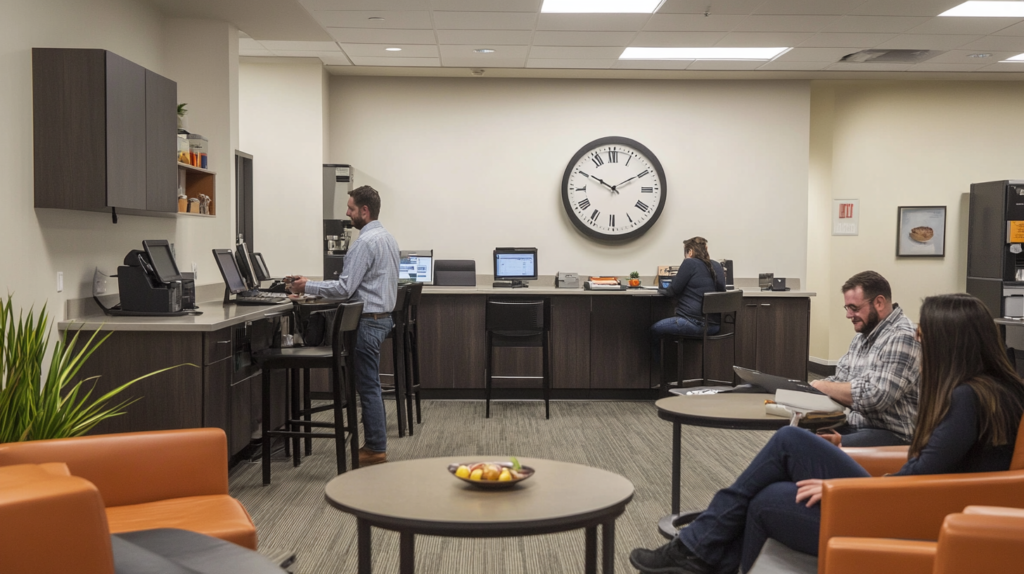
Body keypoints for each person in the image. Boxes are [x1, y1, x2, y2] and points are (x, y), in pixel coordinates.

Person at [629, 293, 1024, 574]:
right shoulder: (991, 391)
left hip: (909, 512)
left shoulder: (968, 398)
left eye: (926, 336)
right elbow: (931, 467)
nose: (919, 342)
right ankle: (703, 556)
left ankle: (697, 549)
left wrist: (846, 490)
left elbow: (920, 479)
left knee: (786, 451)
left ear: (951, 343)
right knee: (774, 483)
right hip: (915, 501)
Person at [287, 185, 399, 466]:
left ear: (364, 211)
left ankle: (375, 449)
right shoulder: (388, 239)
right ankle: (374, 444)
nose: (347, 214)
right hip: (383, 319)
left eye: (350, 209)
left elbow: (345, 288)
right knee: (368, 384)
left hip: (368, 323)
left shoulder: (365, 242)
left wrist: (305, 286)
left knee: (368, 386)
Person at [810, 271, 920, 447]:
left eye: (854, 308)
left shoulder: (903, 336)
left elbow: (876, 397)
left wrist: (822, 387)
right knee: (794, 434)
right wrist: (808, 390)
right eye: (847, 308)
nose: (849, 315)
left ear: (879, 302)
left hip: (894, 434)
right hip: (857, 425)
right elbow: (839, 381)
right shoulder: (862, 337)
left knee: (812, 447)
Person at [652, 237, 726, 340]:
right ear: (706, 248)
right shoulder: (717, 266)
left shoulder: (689, 263)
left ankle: (662, 357)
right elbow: (722, 291)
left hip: (695, 324)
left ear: (690, 252)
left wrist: (659, 289)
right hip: (714, 326)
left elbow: (672, 290)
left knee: (654, 329)